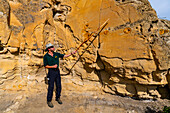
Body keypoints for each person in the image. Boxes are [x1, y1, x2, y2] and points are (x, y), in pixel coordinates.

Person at [43, 43, 77, 108]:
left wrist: (71, 53)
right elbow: (45, 66)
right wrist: (52, 66)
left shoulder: (56, 54)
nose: (53, 48)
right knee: (51, 87)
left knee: (59, 85)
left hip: (57, 72)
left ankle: (58, 97)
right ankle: (49, 100)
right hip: (51, 72)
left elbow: (64, 56)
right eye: (52, 47)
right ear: (49, 49)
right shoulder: (46, 56)